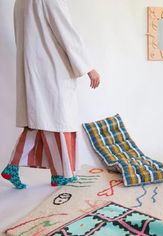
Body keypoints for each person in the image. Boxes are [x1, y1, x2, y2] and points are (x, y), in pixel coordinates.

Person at [1, 0, 100, 189]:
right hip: (51, 68)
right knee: (57, 121)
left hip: (33, 67)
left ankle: (13, 166)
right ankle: (61, 175)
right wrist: (88, 68)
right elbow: (66, 33)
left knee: (39, 120)